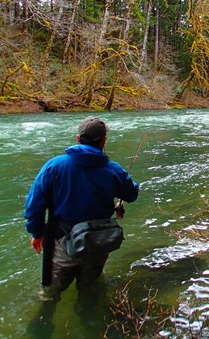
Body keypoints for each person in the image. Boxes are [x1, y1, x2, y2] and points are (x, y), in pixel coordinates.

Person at [24, 116, 139, 302]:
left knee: (50, 295)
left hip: (62, 242)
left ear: (78, 139)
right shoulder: (113, 170)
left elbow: (34, 206)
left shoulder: (54, 166)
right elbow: (132, 194)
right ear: (104, 141)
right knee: (90, 290)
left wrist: (37, 233)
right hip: (98, 243)